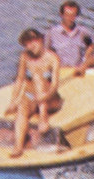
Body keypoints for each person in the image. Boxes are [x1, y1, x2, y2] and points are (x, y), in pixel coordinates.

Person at [9, 28, 62, 156]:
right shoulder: (25, 57)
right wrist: (14, 101)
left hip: (50, 98)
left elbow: (54, 85)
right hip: (33, 96)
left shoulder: (52, 58)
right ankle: (18, 146)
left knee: (38, 78)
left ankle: (43, 117)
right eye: (27, 44)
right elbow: (20, 79)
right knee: (22, 107)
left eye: (33, 42)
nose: (31, 46)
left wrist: (44, 96)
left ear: (40, 40)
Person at [46, 0, 94, 74]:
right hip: (59, 71)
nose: (70, 18)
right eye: (67, 15)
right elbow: (45, 51)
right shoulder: (52, 33)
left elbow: (91, 45)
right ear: (61, 14)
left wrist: (85, 59)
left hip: (76, 71)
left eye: (73, 15)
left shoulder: (83, 32)